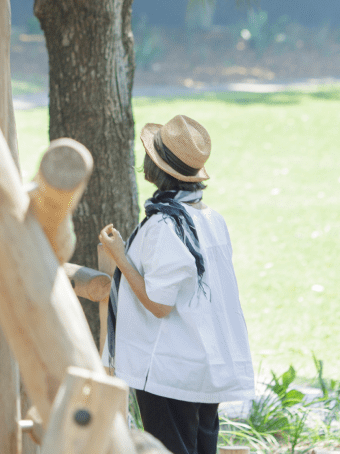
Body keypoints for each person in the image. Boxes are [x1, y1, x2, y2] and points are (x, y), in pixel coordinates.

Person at [98, 115, 254, 454]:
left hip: (169, 369)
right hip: (203, 364)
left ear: (155, 169)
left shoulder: (166, 225)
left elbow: (158, 304)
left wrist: (120, 256)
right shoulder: (211, 219)